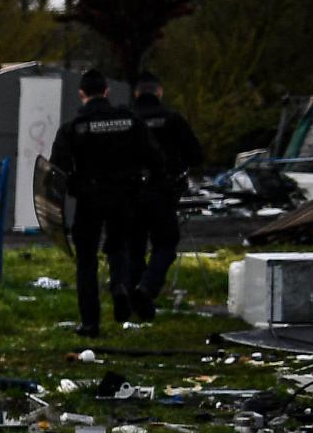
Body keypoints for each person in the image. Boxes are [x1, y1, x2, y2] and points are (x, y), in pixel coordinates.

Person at [49, 68, 159, 336]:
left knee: (86, 260)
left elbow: (57, 170)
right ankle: (120, 285)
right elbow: (154, 157)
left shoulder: (74, 128)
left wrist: (68, 193)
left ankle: (90, 322)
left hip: (89, 198)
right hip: (124, 196)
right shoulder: (130, 121)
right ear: (107, 92)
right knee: (118, 247)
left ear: (82, 94)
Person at [128, 72, 204, 320]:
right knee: (166, 243)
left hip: (129, 193)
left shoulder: (126, 120)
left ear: (136, 93)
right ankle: (147, 287)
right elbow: (196, 156)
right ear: (159, 92)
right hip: (161, 192)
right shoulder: (172, 119)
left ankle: (137, 300)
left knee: (134, 247)